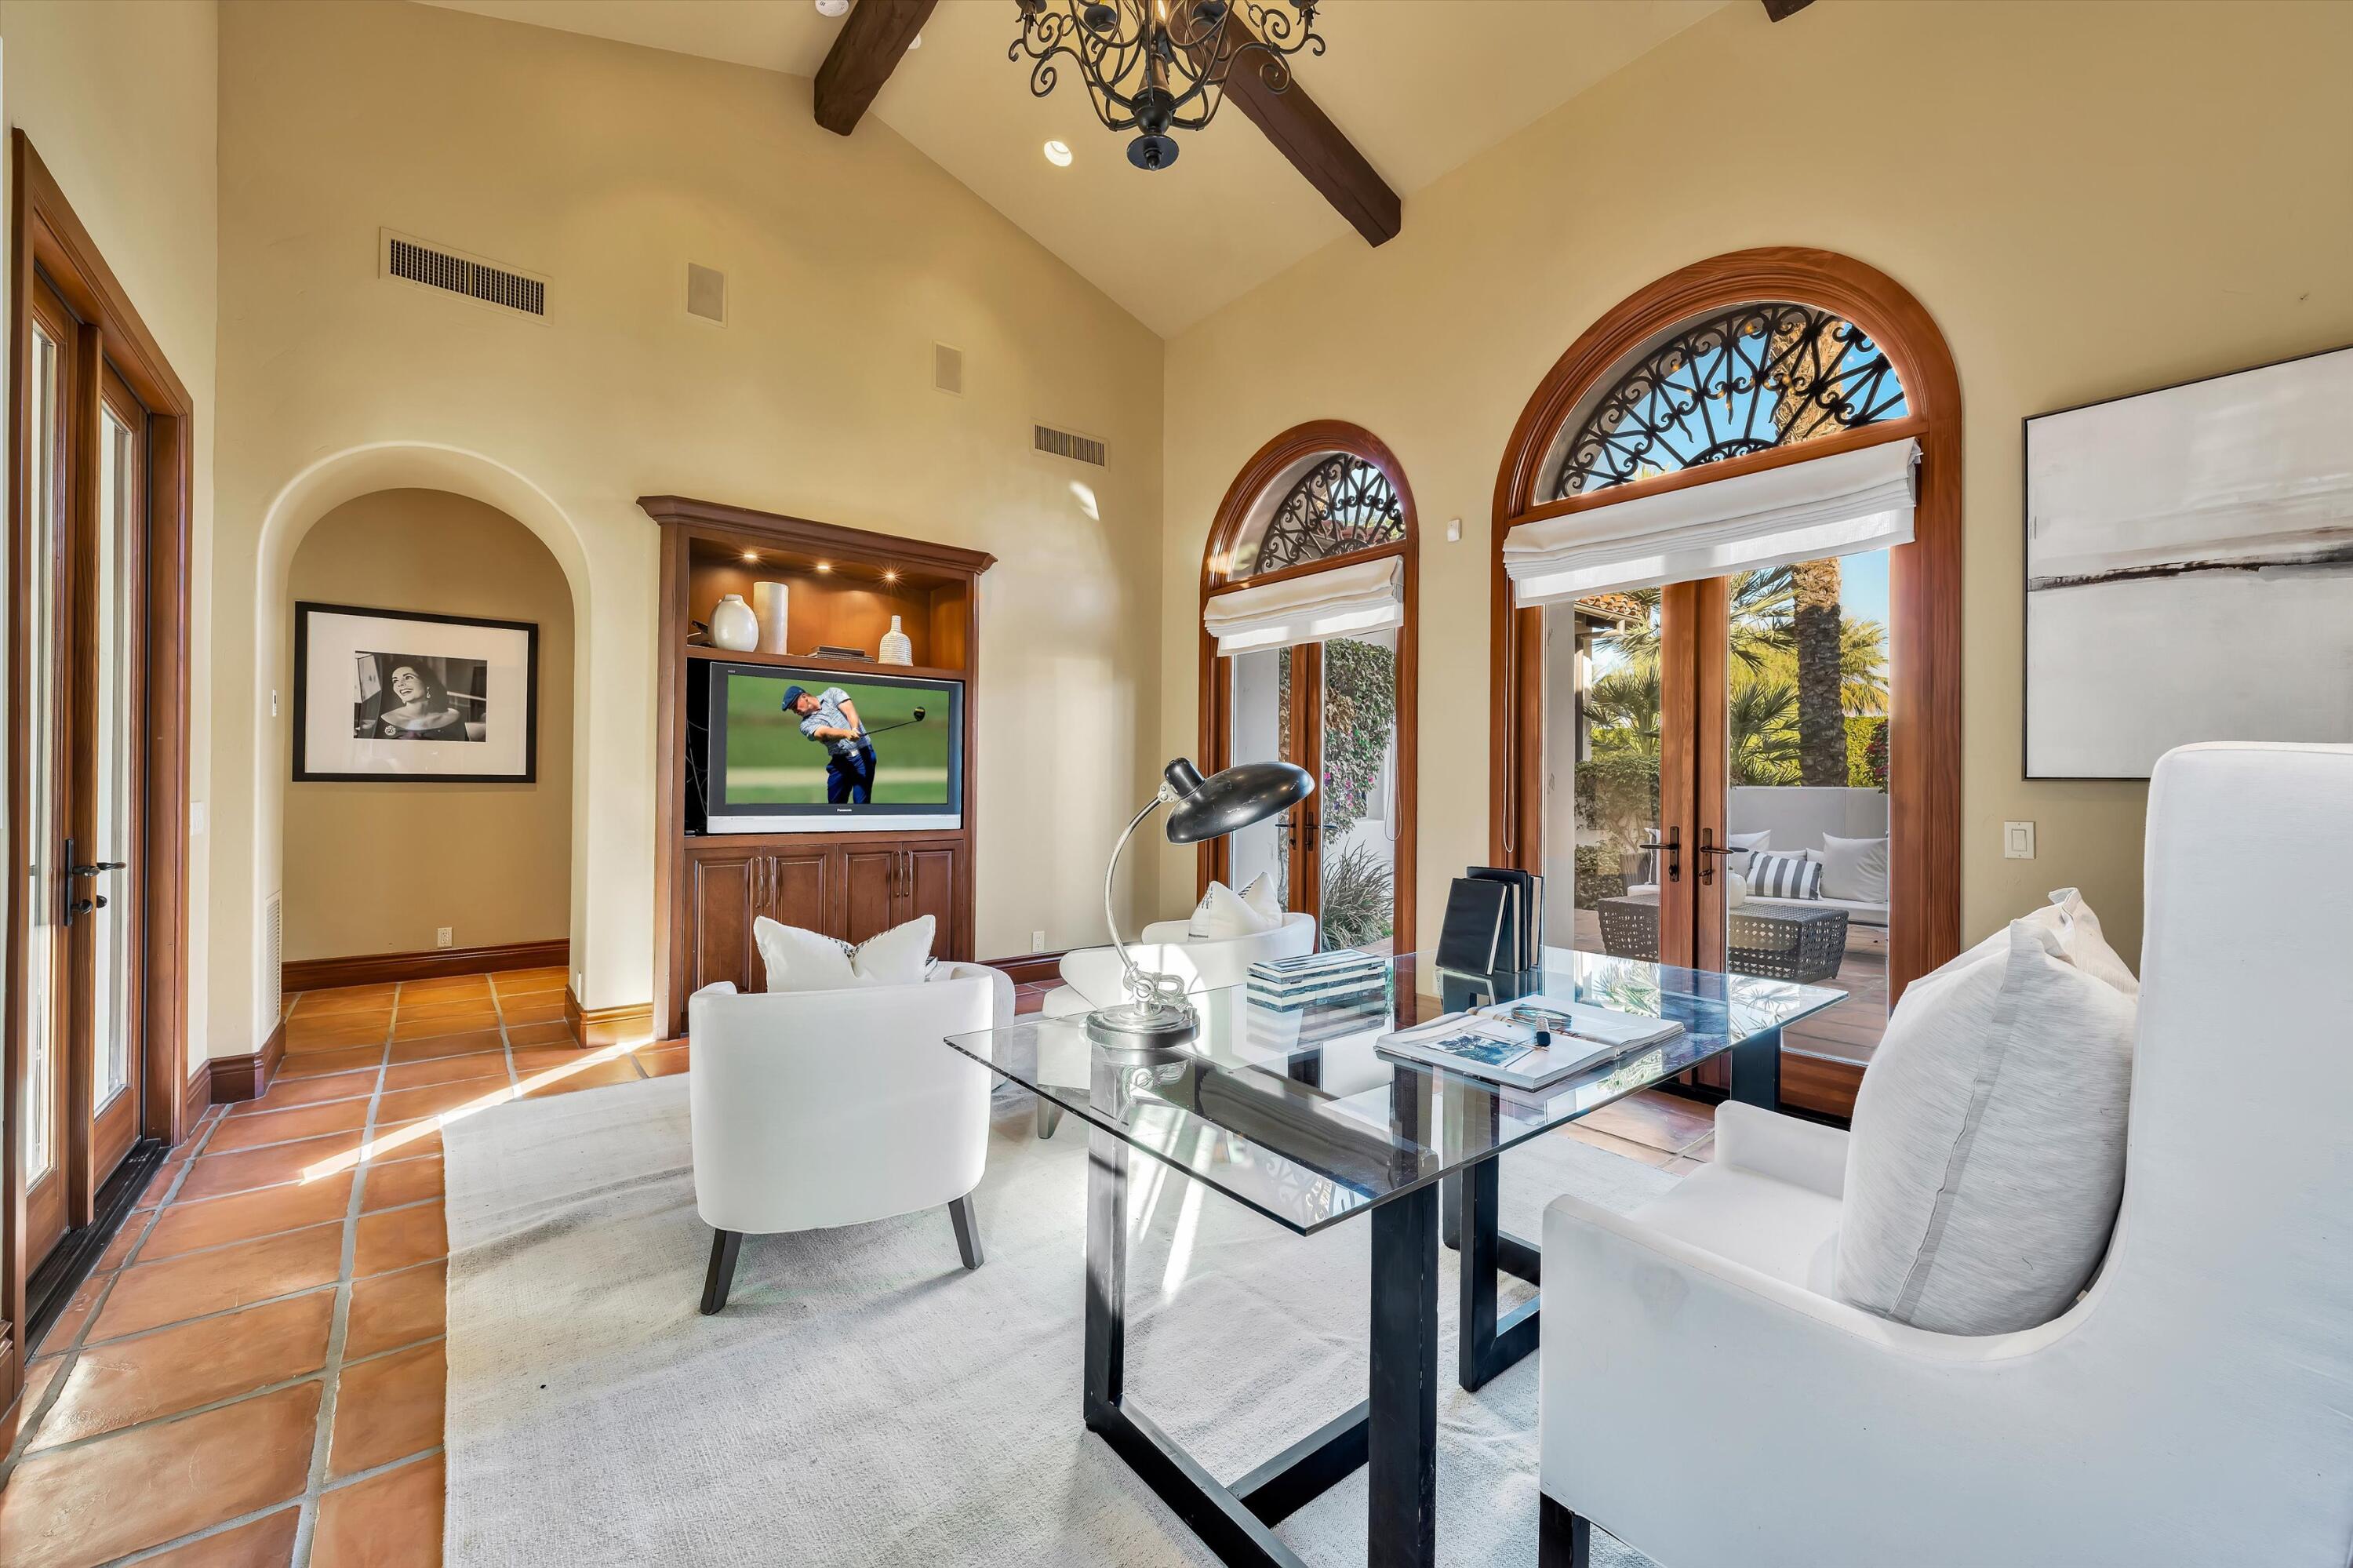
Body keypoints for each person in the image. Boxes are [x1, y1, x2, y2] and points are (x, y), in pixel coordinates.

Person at [781, 683, 876, 804]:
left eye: (795, 706)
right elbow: (823, 733)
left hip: (864, 755)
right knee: (835, 805)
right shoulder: (805, 725)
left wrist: (854, 729)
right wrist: (846, 733)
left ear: (804, 696)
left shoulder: (832, 693)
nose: (795, 711)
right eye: (792, 709)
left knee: (861, 804)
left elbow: (849, 710)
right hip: (840, 761)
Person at [370, 660, 471, 741]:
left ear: (427, 682)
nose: (400, 684)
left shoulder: (455, 716)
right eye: (395, 681)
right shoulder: (384, 720)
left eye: (408, 677)